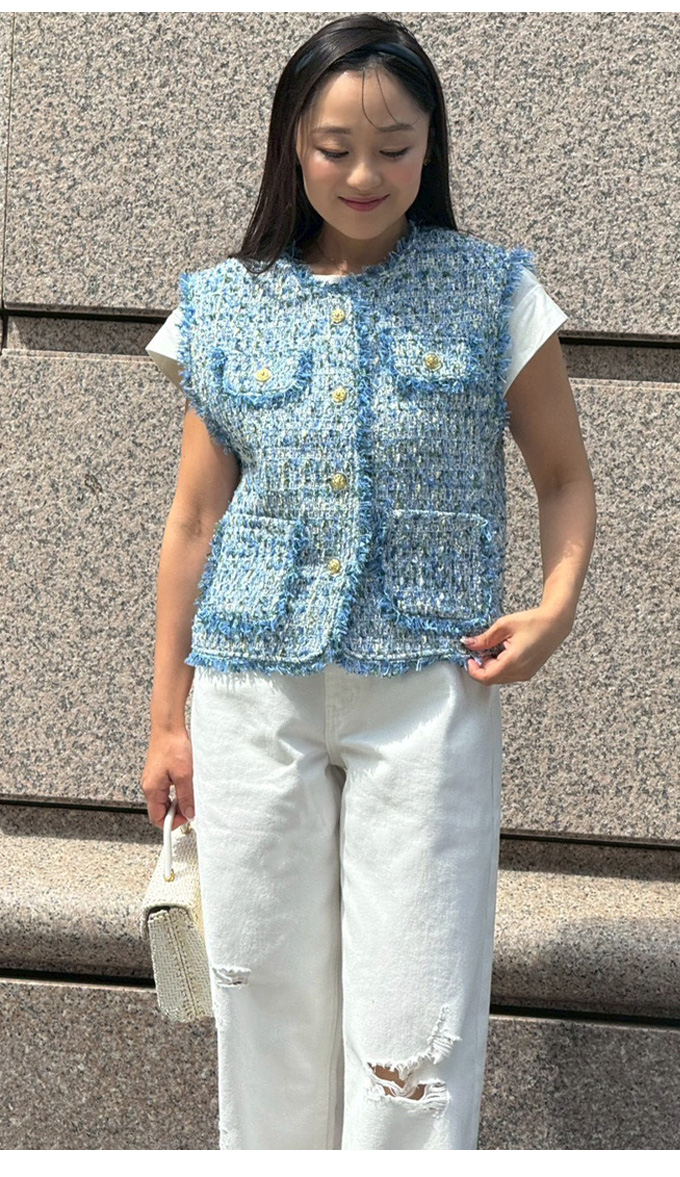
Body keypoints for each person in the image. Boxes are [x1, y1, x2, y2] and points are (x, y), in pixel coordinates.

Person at [141, 13, 596, 1151]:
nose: (364, 173)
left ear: (430, 146)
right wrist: (166, 721)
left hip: (431, 690)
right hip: (250, 692)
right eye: (334, 146)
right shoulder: (224, 302)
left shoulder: (495, 292)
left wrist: (555, 606)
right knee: (263, 997)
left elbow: (562, 477)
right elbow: (193, 521)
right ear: (291, 147)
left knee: (415, 1018)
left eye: (394, 146)